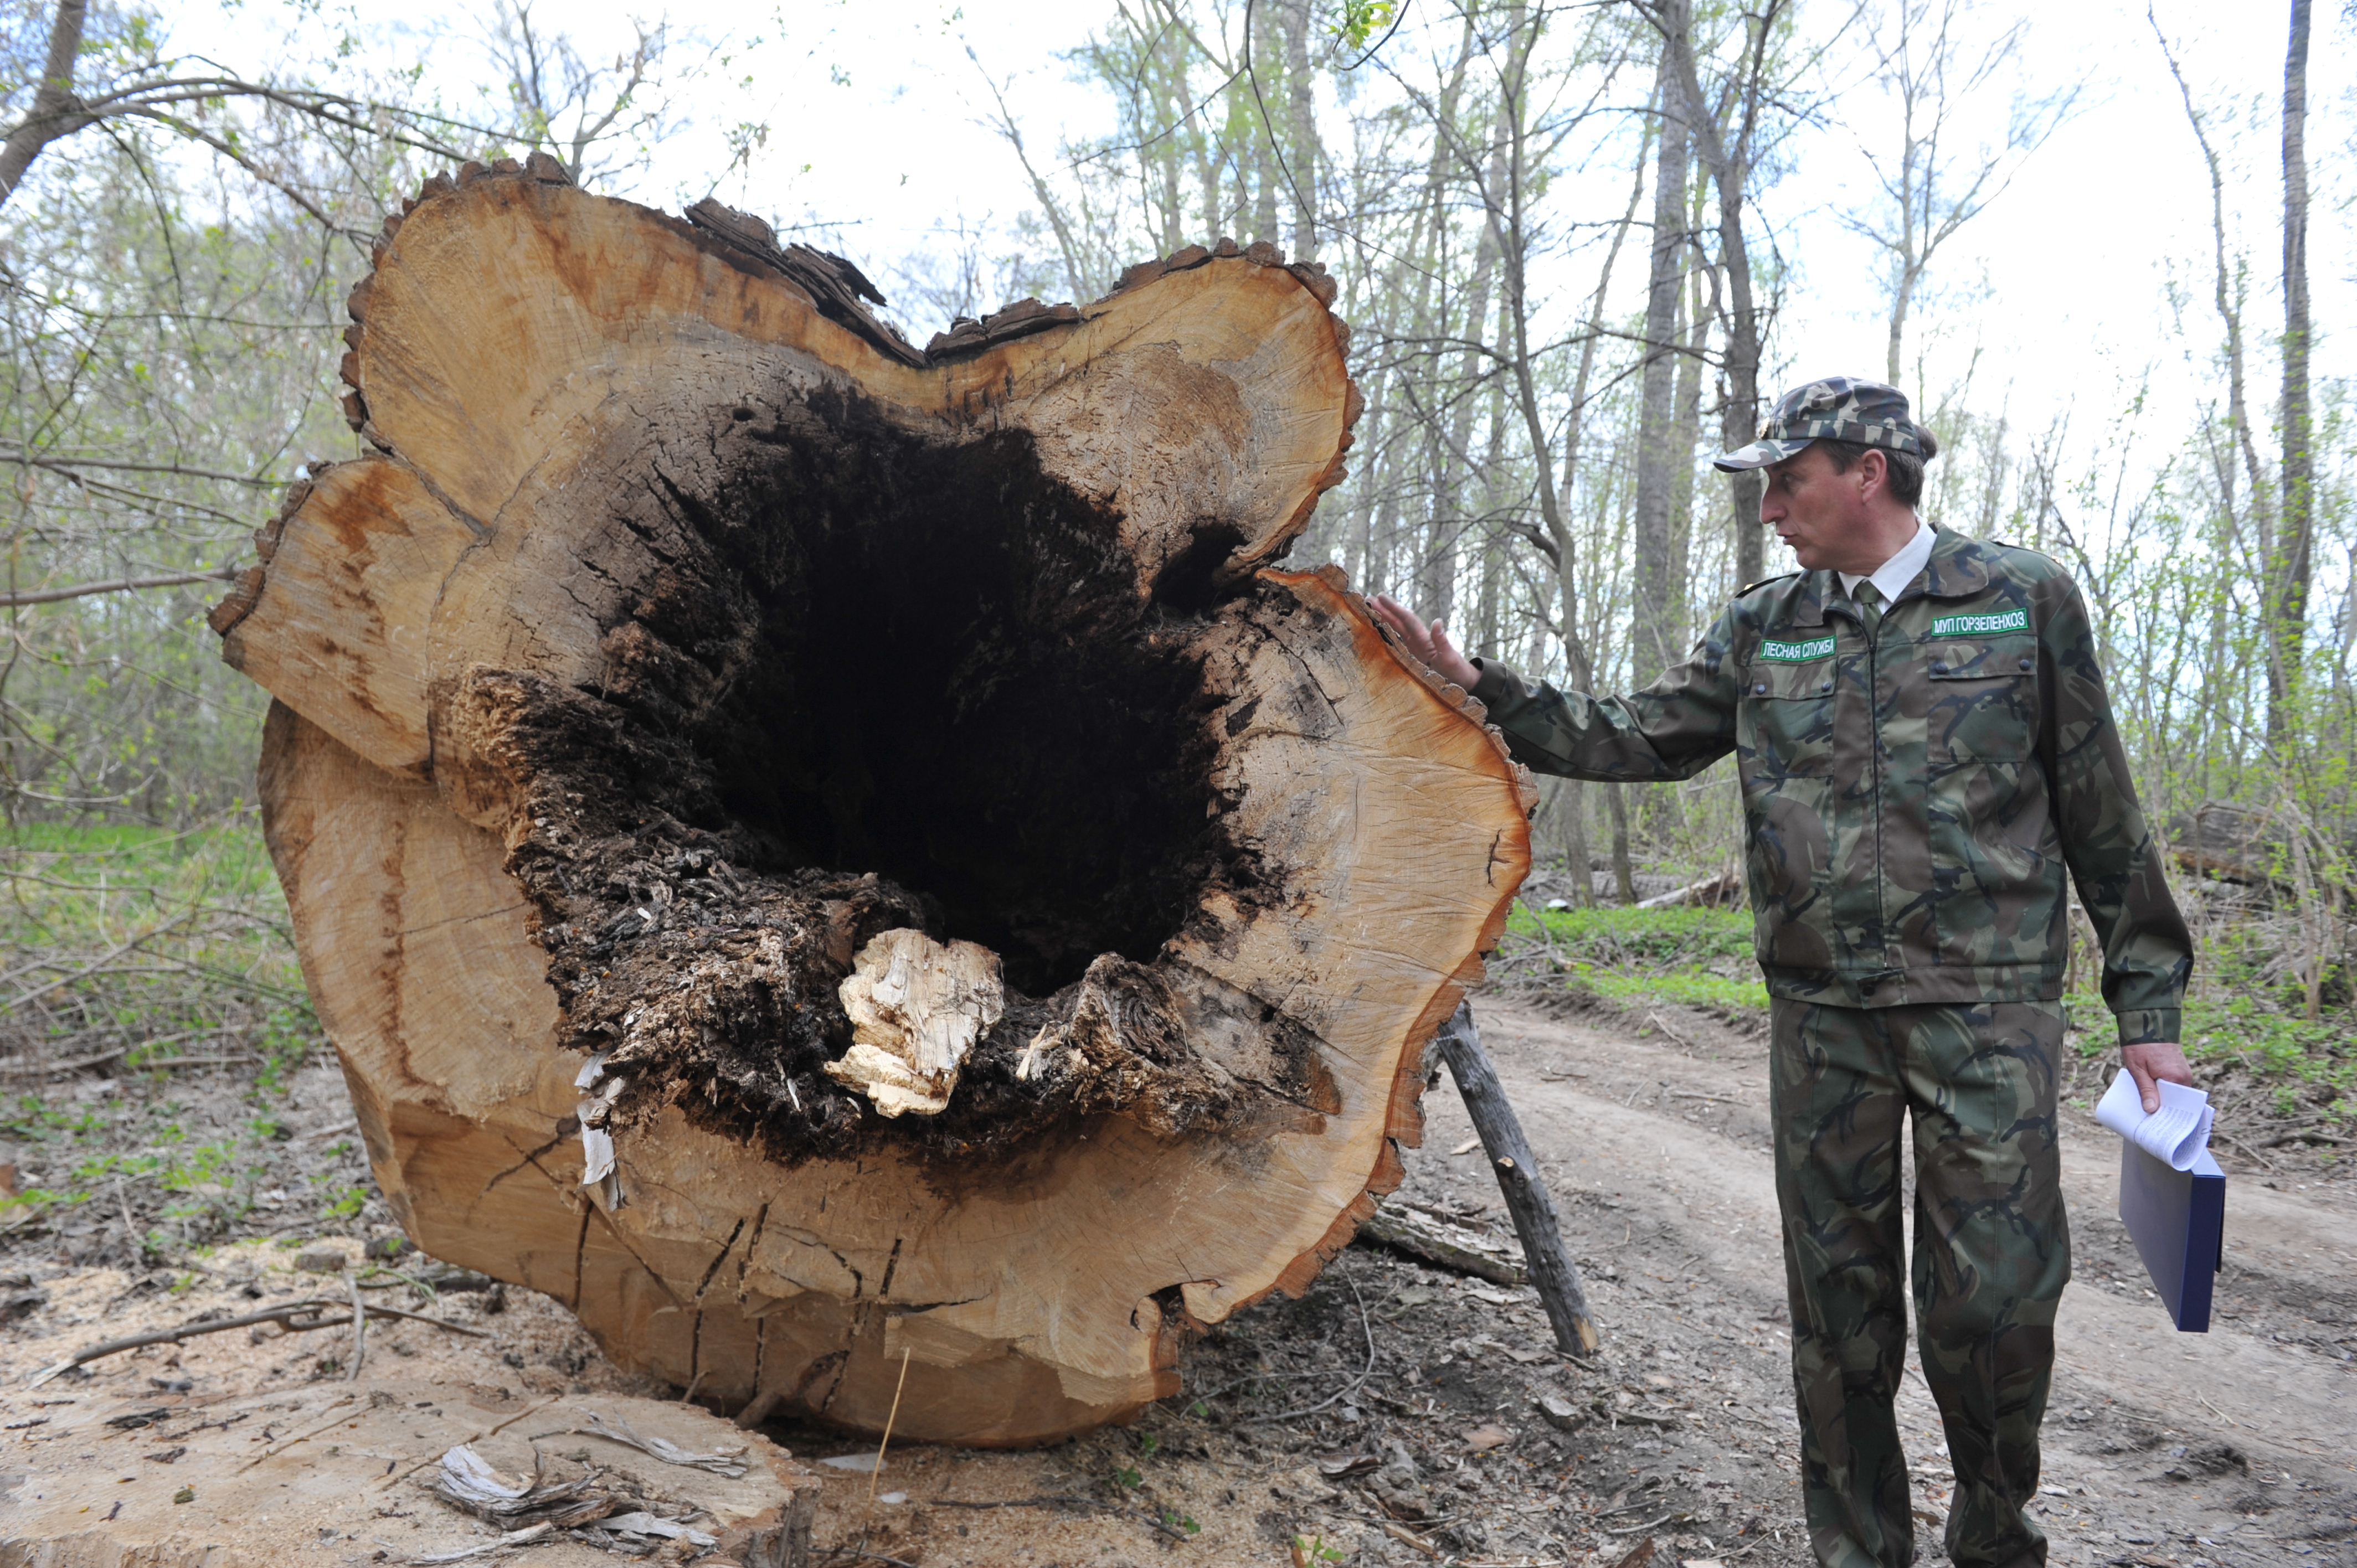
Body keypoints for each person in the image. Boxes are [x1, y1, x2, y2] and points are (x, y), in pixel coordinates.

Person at [1370, 376, 2195, 1568]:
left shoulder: (2017, 601)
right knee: (1840, 1323)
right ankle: (1855, 1551)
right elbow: (1640, 734)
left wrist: (2147, 1006)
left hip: (1988, 1014)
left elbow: (2100, 809)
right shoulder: (1765, 626)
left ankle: (1992, 1529)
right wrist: (1485, 690)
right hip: (1825, 1021)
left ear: (1867, 472)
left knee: (1996, 1306)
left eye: (1786, 478)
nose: (1768, 507)